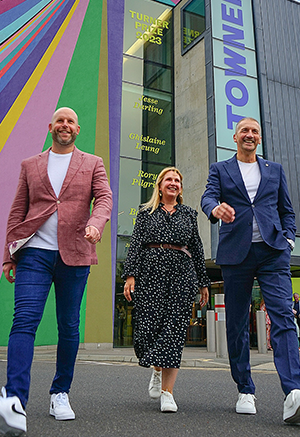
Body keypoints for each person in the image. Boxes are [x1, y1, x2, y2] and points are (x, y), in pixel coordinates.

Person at [0, 107, 113, 437]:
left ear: (78, 129)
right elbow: (17, 211)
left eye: (70, 122)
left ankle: (59, 392)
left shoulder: (93, 163)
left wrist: (96, 223)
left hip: (75, 253)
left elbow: (104, 198)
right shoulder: (30, 165)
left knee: (69, 325)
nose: (65, 125)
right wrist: (8, 255)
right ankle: (14, 404)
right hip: (34, 253)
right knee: (24, 322)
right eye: (60, 121)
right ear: (51, 127)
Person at [201, 117, 300, 424]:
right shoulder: (220, 169)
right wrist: (215, 209)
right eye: (244, 130)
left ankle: (293, 392)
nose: (250, 134)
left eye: (254, 131)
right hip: (236, 253)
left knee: (283, 315)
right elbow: (207, 197)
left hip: (272, 251)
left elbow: (287, 210)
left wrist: (288, 239)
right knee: (237, 323)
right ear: (235, 137)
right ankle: (245, 388)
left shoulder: (275, 170)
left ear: (259, 139)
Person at [123, 167, 209, 413]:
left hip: (181, 275)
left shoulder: (188, 214)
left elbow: (198, 249)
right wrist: (130, 275)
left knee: (174, 331)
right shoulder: (145, 213)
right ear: (160, 186)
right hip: (151, 274)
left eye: (177, 180)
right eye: (169, 180)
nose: (173, 183)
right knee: (146, 332)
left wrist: (203, 282)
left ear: (180, 188)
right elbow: (136, 244)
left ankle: (167, 392)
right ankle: (157, 370)